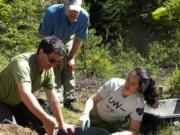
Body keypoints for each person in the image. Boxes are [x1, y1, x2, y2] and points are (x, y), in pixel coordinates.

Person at [0, 36, 74, 135]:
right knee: (11, 128)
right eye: (52, 60)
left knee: (44, 123)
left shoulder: (48, 69)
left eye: (57, 62)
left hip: (18, 103)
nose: (53, 65)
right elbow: (25, 94)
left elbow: (52, 97)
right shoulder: (22, 63)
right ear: (42, 52)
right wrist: (45, 118)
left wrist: (61, 123)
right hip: (2, 102)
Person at [39, 0, 89, 112]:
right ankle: (58, 100)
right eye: (71, 10)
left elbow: (78, 39)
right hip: (50, 39)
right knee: (54, 67)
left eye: (76, 11)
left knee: (69, 66)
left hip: (67, 39)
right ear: (64, 7)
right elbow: (44, 37)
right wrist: (52, 60)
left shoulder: (84, 17)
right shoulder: (52, 12)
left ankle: (69, 100)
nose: (73, 13)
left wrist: (71, 58)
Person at [79, 67, 159, 135]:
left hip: (112, 123)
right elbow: (92, 99)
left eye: (133, 84)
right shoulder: (114, 83)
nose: (127, 85)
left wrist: (121, 134)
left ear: (140, 87)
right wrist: (85, 114)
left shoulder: (138, 102)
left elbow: (134, 130)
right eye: (128, 80)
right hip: (94, 115)